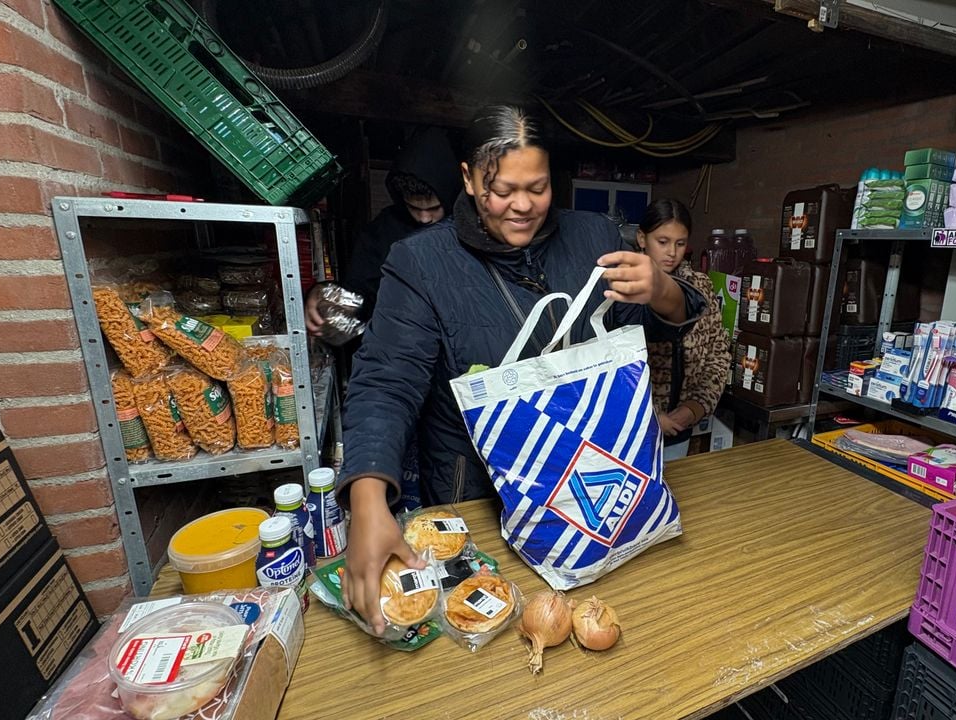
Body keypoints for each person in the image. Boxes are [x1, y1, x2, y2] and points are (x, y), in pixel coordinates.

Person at [338, 105, 705, 629]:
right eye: (502, 190)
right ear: (467, 178)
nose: (522, 206)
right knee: (488, 627)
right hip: (480, 498)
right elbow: (385, 383)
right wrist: (369, 500)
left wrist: (662, 290)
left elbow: (660, 320)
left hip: (598, 477)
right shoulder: (421, 263)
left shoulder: (593, 237)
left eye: (538, 187)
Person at [304, 126, 462, 334]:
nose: (424, 218)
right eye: (414, 208)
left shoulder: (467, 228)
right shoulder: (383, 230)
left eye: (434, 208)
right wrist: (327, 297)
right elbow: (359, 291)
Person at [637, 200, 732, 461]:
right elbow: (616, 371)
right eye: (663, 241)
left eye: (680, 243)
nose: (672, 252)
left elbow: (718, 354)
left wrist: (694, 408)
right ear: (641, 238)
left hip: (680, 428)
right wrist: (653, 416)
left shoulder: (700, 287)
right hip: (636, 432)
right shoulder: (628, 289)